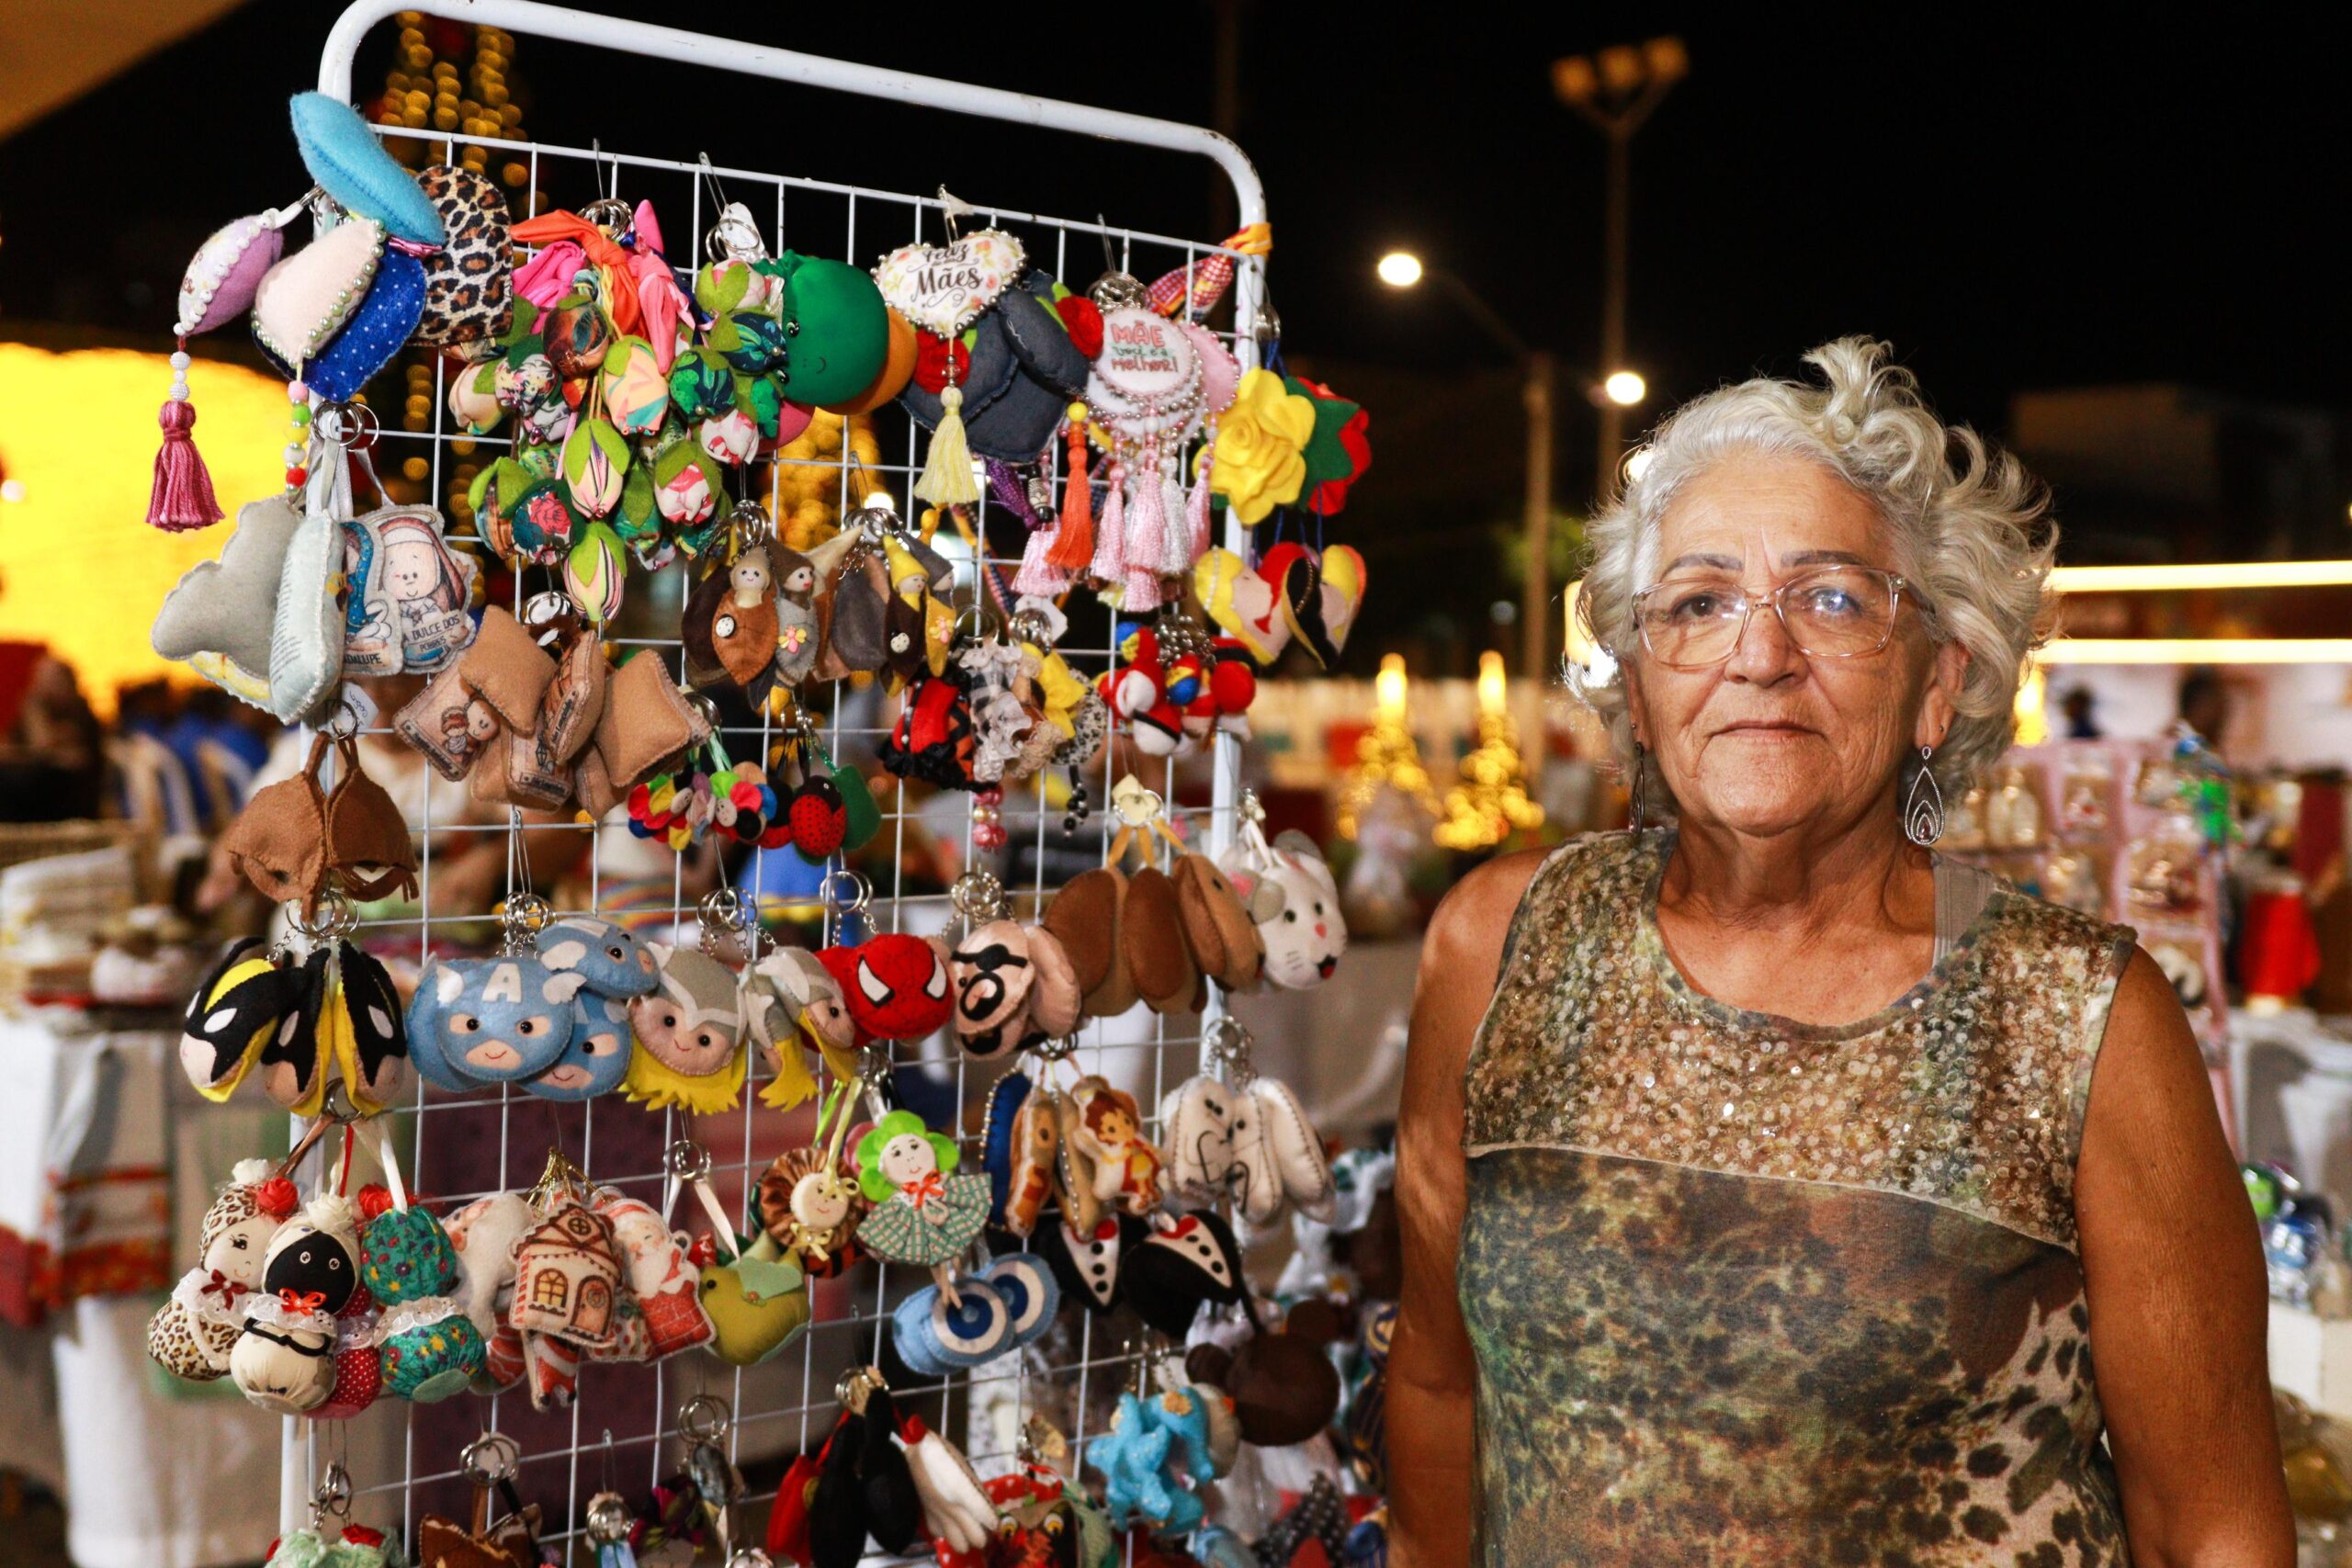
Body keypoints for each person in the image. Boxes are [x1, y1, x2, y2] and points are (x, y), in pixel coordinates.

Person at [1387, 340, 2290, 1565]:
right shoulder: (1502, 944)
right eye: (1700, 602)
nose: (1760, 656)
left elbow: (2214, 1526)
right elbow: (1440, 1391)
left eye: (1831, 597)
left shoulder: (2080, 1017)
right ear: (1641, 686)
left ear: (1937, 685)